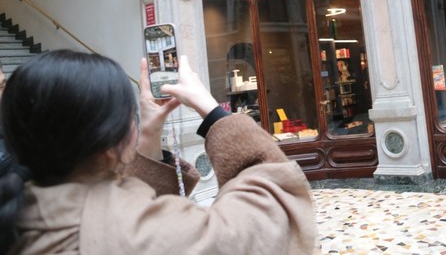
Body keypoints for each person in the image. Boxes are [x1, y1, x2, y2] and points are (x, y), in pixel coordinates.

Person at [0, 50, 317, 254]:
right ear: (112, 141)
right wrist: (212, 111)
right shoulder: (136, 236)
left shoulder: (26, 206)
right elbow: (269, 221)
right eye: (130, 115)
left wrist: (147, 139)